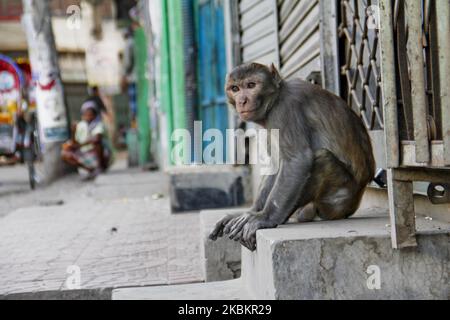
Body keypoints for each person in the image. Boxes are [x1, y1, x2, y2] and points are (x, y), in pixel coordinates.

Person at [61, 101, 111, 180]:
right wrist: (73, 132)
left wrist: (80, 145)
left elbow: (96, 138)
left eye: (90, 114)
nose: (88, 116)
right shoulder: (81, 125)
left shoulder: (99, 124)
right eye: (85, 114)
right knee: (65, 152)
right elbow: (74, 143)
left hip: (101, 155)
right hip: (85, 153)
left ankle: (99, 167)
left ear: (95, 115)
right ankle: (91, 170)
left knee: (97, 143)